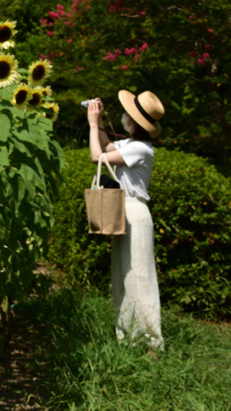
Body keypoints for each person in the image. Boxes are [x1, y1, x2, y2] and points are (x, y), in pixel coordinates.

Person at [87, 90, 166, 350]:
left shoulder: (141, 149)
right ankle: (130, 338)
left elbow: (97, 156)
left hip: (135, 213)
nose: (124, 118)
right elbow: (107, 146)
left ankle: (150, 341)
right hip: (125, 210)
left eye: (128, 115)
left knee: (139, 276)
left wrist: (91, 124)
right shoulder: (131, 146)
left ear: (134, 122)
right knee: (123, 275)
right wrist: (98, 123)